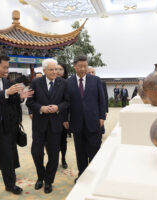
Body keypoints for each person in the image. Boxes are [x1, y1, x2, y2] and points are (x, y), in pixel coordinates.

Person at [0, 54, 33, 200]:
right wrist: (7, 92)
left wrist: (19, 97)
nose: (7, 70)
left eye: (8, 67)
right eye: (4, 67)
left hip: (4, 127)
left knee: (7, 157)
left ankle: (10, 184)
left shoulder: (5, 81)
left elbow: (8, 100)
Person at [26, 59, 69, 194]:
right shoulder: (35, 82)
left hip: (55, 126)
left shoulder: (63, 83)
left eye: (56, 69)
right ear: (44, 71)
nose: (55, 72)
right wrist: (41, 108)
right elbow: (30, 102)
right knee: (36, 152)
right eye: (51, 70)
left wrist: (58, 107)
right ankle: (41, 176)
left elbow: (67, 102)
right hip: (39, 125)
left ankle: (49, 181)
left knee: (54, 156)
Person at [64, 55, 106, 183]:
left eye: (85, 66)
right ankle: (82, 175)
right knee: (80, 152)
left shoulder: (96, 80)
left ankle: (94, 176)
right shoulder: (68, 82)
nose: (83, 69)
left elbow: (102, 100)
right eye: (80, 66)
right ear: (74, 66)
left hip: (93, 121)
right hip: (76, 123)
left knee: (94, 150)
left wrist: (101, 116)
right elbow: (66, 102)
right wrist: (65, 118)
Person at [87, 66, 108, 134]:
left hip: (99, 107)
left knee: (100, 123)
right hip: (89, 109)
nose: (91, 74)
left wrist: (105, 110)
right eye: (89, 72)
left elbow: (105, 97)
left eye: (93, 72)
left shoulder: (101, 82)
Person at [56, 63, 69, 169]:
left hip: (63, 117)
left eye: (61, 69)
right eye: (57, 69)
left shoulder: (67, 83)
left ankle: (63, 159)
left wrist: (66, 118)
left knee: (63, 140)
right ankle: (53, 159)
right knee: (51, 141)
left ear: (65, 71)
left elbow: (68, 102)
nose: (58, 71)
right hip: (51, 116)